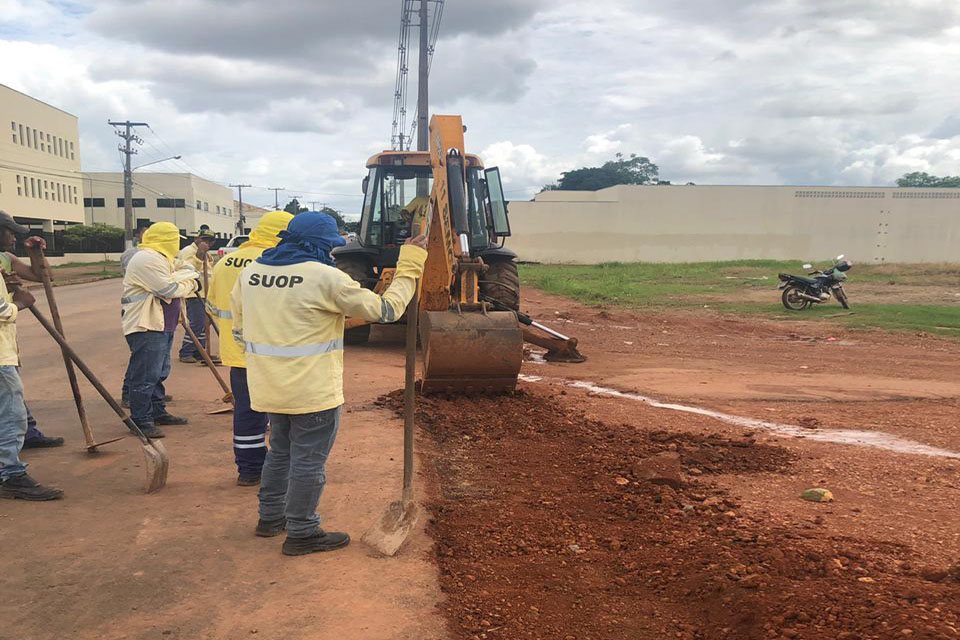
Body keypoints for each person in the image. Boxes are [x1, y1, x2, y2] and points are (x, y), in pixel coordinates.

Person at [231, 212, 427, 556]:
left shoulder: (251, 273)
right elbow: (386, 309)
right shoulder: (325, 278)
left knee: (280, 451)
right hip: (311, 391)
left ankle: (270, 518)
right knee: (308, 461)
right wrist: (410, 262)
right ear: (320, 245)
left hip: (267, 386)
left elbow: (239, 329)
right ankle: (303, 532)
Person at [207, 211, 293, 487]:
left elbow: (211, 306)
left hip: (237, 353)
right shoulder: (273, 263)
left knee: (246, 412)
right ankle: (283, 469)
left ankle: (249, 469)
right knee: (282, 412)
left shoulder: (225, 262)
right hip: (270, 353)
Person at [0, 212, 63, 501]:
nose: (13, 237)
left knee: (12, 407)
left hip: (6, 348)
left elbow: (42, 276)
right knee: (10, 413)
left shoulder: (5, 258)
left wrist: (36, 253)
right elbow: (4, 310)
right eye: (9, 232)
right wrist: (18, 303)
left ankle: (23, 444)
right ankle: (10, 474)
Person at [122, 222, 199, 438]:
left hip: (163, 323)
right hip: (146, 324)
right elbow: (168, 289)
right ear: (167, 239)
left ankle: (157, 411)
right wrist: (190, 285)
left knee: (159, 372)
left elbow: (188, 269)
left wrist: (183, 277)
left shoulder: (164, 258)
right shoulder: (147, 258)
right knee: (146, 374)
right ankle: (141, 419)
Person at [176, 226, 216, 364]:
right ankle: (186, 351)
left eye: (211, 241)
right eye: (204, 239)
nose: (207, 243)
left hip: (206, 293)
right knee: (197, 323)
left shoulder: (208, 253)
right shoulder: (188, 252)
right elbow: (187, 270)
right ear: (197, 239)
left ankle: (200, 351)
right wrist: (199, 255)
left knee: (206, 324)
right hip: (194, 293)